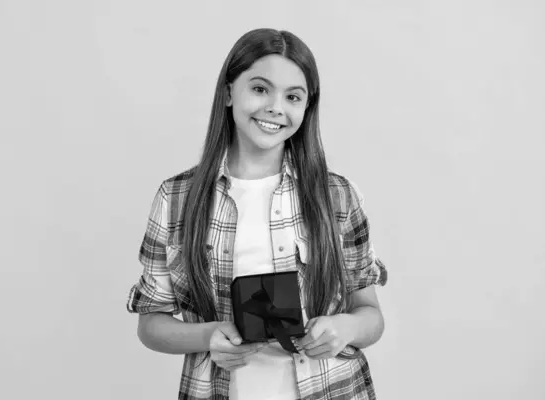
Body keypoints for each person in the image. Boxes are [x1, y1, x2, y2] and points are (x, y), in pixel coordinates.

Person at [127, 28, 388, 400]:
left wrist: (344, 328)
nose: (276, 108)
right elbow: (150, 325)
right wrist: (209, 336)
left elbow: (370, 316)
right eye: (260, 89)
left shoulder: (338, 195)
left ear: (306, 108)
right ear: (230, 91)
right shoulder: (177, 198)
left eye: (293, 97)